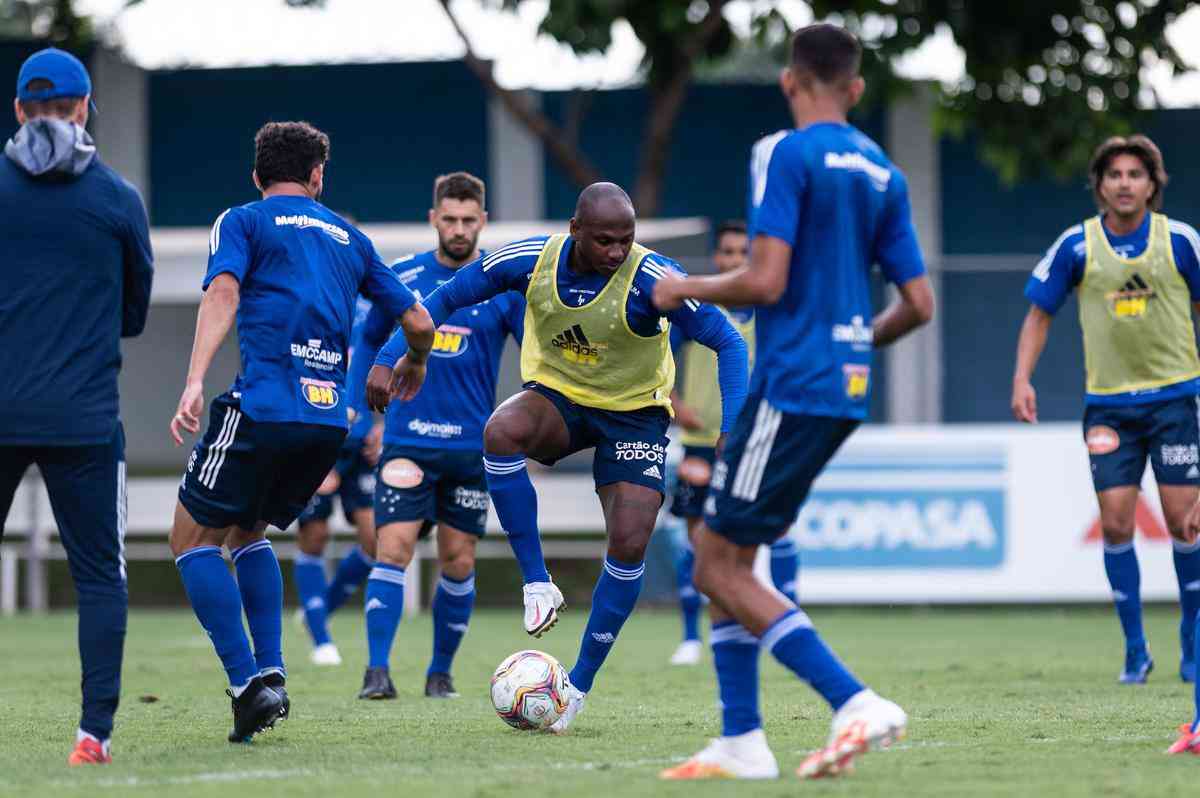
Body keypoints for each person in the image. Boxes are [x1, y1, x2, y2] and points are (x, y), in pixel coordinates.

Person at [654, 24, 933, 780]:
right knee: (730, 552)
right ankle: (741, 741)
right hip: (841, 389)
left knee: (714, 566)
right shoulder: (883, 171)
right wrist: (853, 341)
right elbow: (917, 304)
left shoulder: (783, 152)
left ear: (788, 82)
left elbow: (765, 281)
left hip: (793, 384)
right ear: (857, 88)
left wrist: (683, 287)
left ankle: (854, 701)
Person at [368, 181, 749, 732]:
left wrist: (731, 431)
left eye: (626, 239)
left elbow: (729, 343)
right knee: (500, 431)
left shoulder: (652, 277)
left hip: (635, 413)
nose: (617, 252)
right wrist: (387, 356)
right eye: (604, 241)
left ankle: (576, 688)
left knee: (630, 538)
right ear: (575, 231)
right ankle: (537, 583)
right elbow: (445, 297)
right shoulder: (530, 260)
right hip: (561, 400)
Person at [167, 121, 434, 743]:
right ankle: (272, 673)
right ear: (318, 176)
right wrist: (412, 361)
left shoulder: (242, 220)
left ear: (257, 175)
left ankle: (245, 685)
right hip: (324, 423)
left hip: (261, 409)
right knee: (247, 531)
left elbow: (224, 293)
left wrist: (193, 380)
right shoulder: (352, 237)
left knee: (190, 541)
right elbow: (419, 319)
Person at [0, 48, 153, 767]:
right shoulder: (117, 199)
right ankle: (93, 734)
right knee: (99, 577)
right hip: (86, 418)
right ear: (86, 106)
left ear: (18, 109)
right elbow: (134, 313)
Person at [1013, 135, 1200, 693]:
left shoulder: (1181, 241)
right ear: (1098, 184)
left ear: (1152, 184)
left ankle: (1192, 642)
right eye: (1113, 174)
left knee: (1183, 523)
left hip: (1173, 399)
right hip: (1109, 408)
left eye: (1135, 174)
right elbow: (1038, 314)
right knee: (1117, 523)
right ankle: (1136, 649)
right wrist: (1022, 379)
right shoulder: (1076, 245)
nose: (1124, 183)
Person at [347, 171, 524, 700]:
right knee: (393, 549)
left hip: (471, 448)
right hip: (407, 442)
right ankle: (376, 673)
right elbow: (366, 341)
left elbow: (536, 355)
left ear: (483, 221)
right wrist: (363, 415)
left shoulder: (501, 285)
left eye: (469, 220)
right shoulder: (403, 278)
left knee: (459, 560)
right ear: (433, 219)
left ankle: (440, 673)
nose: (459, 229)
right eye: (450, 219)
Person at [667, 220, 799, 666]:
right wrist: (673, 400)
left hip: (758, 440)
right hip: (701, 440)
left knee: (776, 529)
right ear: (716, 258)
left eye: (742, 252)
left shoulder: (774, 310)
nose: (732, 259)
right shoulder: (699, 310)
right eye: (726, 252)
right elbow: (655, 356)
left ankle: (788, 618)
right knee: (697, 539)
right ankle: (690, 637)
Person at [292, 294, 383, 667]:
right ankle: (321, 638)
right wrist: (311, 447)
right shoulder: (306, 303)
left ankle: (319, 610)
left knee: (376, 541)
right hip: (316, 437)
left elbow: (399, 362)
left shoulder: (374, 307)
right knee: (315, 535)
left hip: (360, 443)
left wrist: (385, 423)